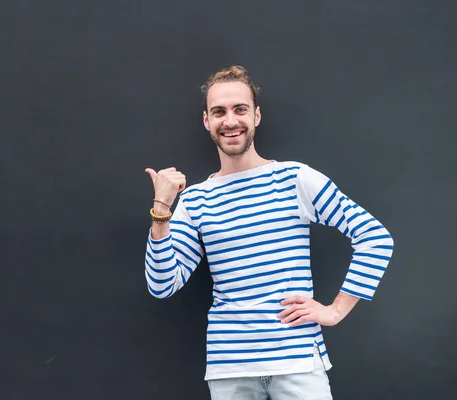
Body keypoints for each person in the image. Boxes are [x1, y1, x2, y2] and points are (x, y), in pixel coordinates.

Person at [143, 65, 394, 400]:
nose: (230, 120)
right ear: (207, 121)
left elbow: (375, 238)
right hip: (230, 371)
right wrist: (161, 211)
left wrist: (334, 311)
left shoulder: (294, 179)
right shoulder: (195, 200)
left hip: (298, 365)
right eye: (219, 112)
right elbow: (162, 285)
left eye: (239, 109)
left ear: (256, 116)